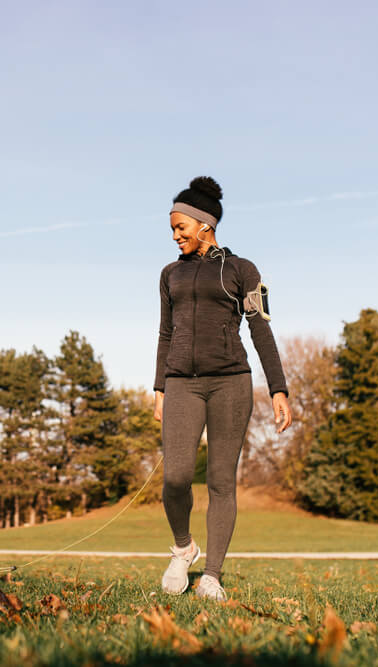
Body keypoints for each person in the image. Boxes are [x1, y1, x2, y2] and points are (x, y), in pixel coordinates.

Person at [153, 176, 292, 601]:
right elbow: (164, 332)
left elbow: (261, 332)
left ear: (205, 226)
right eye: (173, 229)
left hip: (231, 382)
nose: (176, 236)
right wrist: (159, 387)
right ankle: (183, 549)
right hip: (181, 384)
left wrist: (279, 388)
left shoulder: (241, 271)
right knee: (175, 478)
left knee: (220, 481)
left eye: (182, 228)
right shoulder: (170, 275)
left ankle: (212, 574)